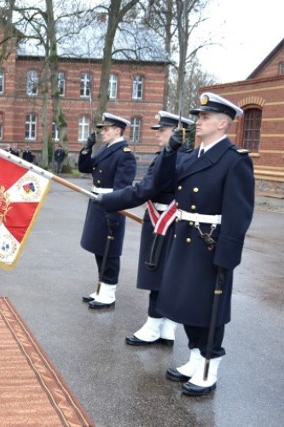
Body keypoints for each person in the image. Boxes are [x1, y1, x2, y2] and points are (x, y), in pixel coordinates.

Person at [153, 93, 254, 397]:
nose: (198, 122)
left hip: (210, 243)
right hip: (184, 237)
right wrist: (170, 153)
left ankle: (209, 366)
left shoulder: (234, 159)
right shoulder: (192, 155)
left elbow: (239, 213)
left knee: (210, 307)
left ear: (223, 123)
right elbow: (162, 183)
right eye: (198, 117)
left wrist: (227, 256)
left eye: (205, 117)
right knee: (186, 302)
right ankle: (195, 357)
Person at [96, 111, 193, 345]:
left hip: (166, 221)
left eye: (163, 130)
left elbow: (147, 187)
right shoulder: (178, 155)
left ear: (179, 133)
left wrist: (110, 200)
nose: (158, 134)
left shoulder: (175, 157)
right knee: (166, 274)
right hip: (164, 219)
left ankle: (153, 325)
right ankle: (167, 327)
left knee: (158, 274)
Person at [78, 113, 136, 309]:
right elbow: (85, 168)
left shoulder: (124, 154)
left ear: (118, 130)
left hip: (110, 206)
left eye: (107, 129)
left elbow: (122, 190)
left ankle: (109, 292)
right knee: (98, 248)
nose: (102, 132)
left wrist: (114, 213)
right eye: (102, 129)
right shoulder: (106, 149)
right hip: (97, 202)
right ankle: (102, 287)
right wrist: (87, 148)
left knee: (110, 252)